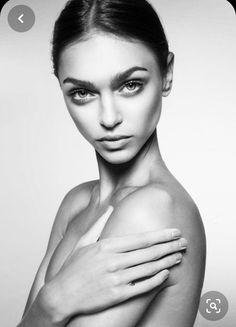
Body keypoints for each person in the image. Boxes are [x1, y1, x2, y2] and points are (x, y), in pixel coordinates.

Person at [18, 0, 206, 326]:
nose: (108, 118)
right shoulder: (76, 203)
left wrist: (49, 304)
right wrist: (52, 302)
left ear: (167, 74)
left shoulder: (153, 208)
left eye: (130, 85)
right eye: (82, 93)